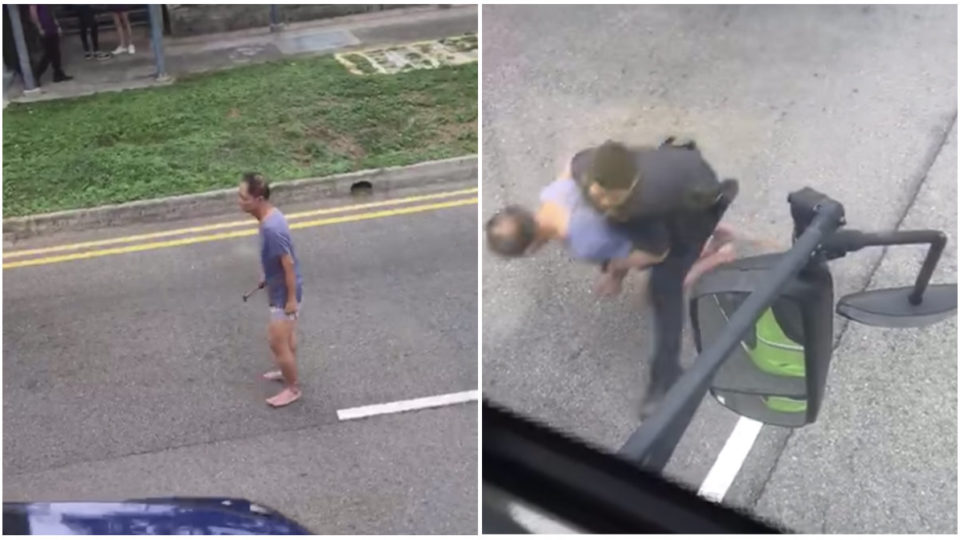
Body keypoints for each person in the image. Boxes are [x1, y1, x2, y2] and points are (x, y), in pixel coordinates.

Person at [238, 173, 304, 408]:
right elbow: (278, 259)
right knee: (285, 337)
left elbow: (288, 263)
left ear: (257, 199)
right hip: (279, 287)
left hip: (284, 294)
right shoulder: (269, 218)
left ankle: (293, 388)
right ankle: (284, 370)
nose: (239, 201)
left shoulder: (271, 228)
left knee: (276, 342)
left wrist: (291, 300)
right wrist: (268, 275)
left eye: (243, 197)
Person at [28, 5, 72, 84]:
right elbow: (33, 14)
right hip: (44, 28)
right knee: (48, 54)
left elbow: (51, 12)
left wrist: (57, 26)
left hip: (51, 26)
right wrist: (39, 28)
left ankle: (58, 74)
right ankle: (36, 75)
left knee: (56, 52)